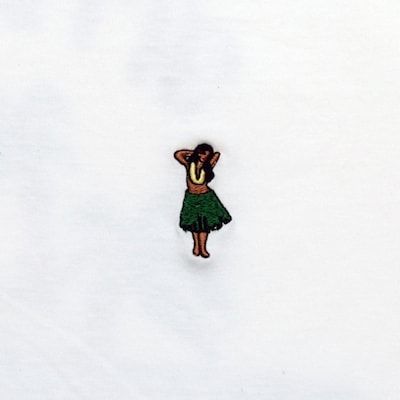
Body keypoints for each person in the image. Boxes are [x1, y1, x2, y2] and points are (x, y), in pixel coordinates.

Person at [174, 143, 232, 258]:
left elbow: (217, 154)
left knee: (204, 224)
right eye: (202, 154)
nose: (203, 156)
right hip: (191, 197)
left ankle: (203, 248)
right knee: (194, 223)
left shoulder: (208, 166)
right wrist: (194, 153)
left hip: (205, 197)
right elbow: (178, 154)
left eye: (206, 155)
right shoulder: (189, 164)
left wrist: (207, 156)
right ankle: (196, 246)